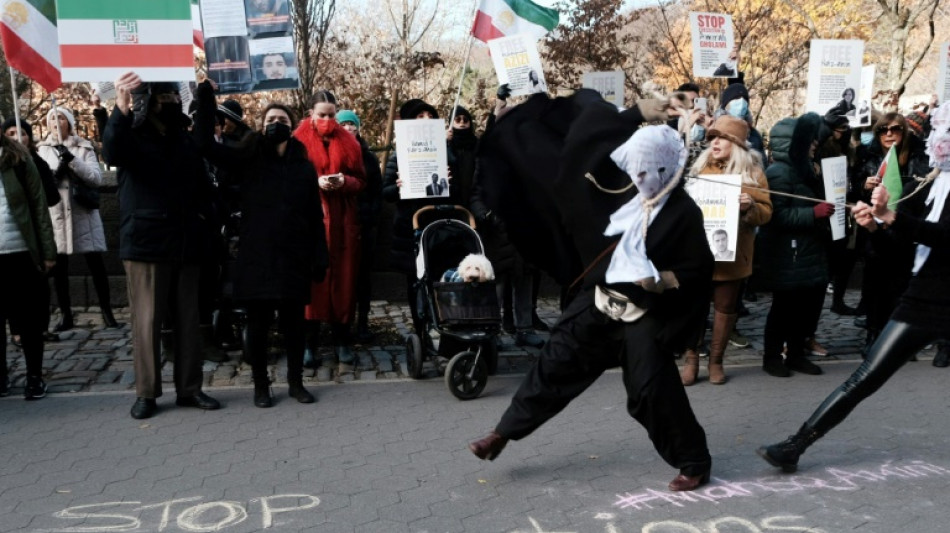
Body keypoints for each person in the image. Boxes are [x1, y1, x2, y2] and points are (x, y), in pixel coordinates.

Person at [470, 124, 713, 492]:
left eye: (648, 169)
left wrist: (661, 279)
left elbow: (698, 270)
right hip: (600, 301)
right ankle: (503, 433)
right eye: (636, 169)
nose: (640, 176)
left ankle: (693, 462)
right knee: (554, 362)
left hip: (644, 313)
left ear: (666, 168)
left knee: (651, 390)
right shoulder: (615, 194)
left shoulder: (684, 213)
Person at [757, 103, 950, 473]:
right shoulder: (935, 182)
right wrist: (877, 224)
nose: (939, 144)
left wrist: (893, 218)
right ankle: (795, 446)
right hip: (924, 298)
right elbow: (911, 243)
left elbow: (943, 236)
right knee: (866, 374)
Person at [194, 81, 328, 407]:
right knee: (258, 327)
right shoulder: (249, 158)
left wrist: (319, 254)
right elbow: (205, 146)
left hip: (294, 257)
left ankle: (296, 383)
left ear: (292, 126)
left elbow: (314, 215)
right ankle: (260, 386)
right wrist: (206, 100)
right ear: (261, 126)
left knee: (295, 325)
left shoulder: (303, 167)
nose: (275, 125)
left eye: (282, 120)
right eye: (270, 120)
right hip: (258, 257)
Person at [102, 71, 221, 419]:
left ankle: (190, 388)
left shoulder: (183, 139)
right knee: (147, 322)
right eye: (163, 98)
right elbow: (111, 148)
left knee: (188, 320)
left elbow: (204, 151)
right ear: (148, 102)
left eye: (173, 97)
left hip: (185, 241)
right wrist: (120, 107)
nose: (170, 102)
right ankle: (147, 392)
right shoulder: (132, 134)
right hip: (146, 244)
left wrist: (205, 95)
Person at [680, 115, 772, 386]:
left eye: (721, 138)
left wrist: (750, 208)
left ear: (738, 145)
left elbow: (766, 213)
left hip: (732, 256)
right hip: (698, 255)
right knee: (693, 308)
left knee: (725, 308)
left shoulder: (752, 173)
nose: (715, 143)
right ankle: (691, 359)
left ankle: (716, 361)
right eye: (712, 138)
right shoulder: (699, 169)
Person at [294, 90, 365, 375]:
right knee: (312, 282)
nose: (326, 120)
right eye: (321, 114)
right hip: (311, 219)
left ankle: (342, 340)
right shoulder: (297, 142)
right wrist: (315, 183)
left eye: (331, 115)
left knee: (344, 282)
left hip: (342, 220)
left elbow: (361, 180)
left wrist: (343, 181)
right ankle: (309, 343)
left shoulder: (348, 142)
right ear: (311, 113)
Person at [755, 113, 831, 378]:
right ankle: (772, 357)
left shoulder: (806, 170)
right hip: (788, 254)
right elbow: (775, 216)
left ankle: (796, 355)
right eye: (809, 140)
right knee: (783, 309)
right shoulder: (778, 172)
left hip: (806, 251)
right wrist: (814, 213)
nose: (814, 144)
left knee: (803, 310)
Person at [36, 107, 119, 332]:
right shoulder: (41, 150)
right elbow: (39, 183)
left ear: (69, 123)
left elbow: (95, 178)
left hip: (83, 212)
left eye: (60, 117)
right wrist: (55, 173)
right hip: (58, 214)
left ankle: (107, 312)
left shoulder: (84, 146)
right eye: (51, 118)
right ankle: (66, 314)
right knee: (59, 268)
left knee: (96, 265)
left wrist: (72, 161)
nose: (56, 122)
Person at [854, 113, 930, 358]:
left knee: (902, 285)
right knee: (876, 284)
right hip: (875, 230)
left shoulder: (919, 157)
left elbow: (924, 191)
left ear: (904, 132)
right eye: (883, 129)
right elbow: (854, 191)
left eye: (895, 129)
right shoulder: (868, 156)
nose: (889, 134)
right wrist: (864, 187)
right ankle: (874, 335)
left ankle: (900, 340)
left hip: (905, 227)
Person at [382, 98, 458, 339]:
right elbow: (385, 193)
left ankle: (443, 330)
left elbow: (459, 191)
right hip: (411, 228)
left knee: (440, 281)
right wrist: (398, 186)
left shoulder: (444, 152)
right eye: (420, 116)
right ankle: (421, 332)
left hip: (439, 227)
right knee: (415, 283)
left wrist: (448, 180)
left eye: (429, 115)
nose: (426, 120)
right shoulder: (398, 155)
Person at [0, 132, 56, 399]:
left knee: (29, 321)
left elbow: (39, 206)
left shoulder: (20, 159)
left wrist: (47, 251)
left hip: (22, 252)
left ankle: (34, 376)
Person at [336, 109, 383, 342]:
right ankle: (340, 323)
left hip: (364, 225)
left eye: (352, 124)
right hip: (339, 223)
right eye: (344, 124)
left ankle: (362, 323)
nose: (349, 128)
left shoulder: (369, 157)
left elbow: (377, 191)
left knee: (363, 277)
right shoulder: (333, 152)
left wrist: (371, 216)